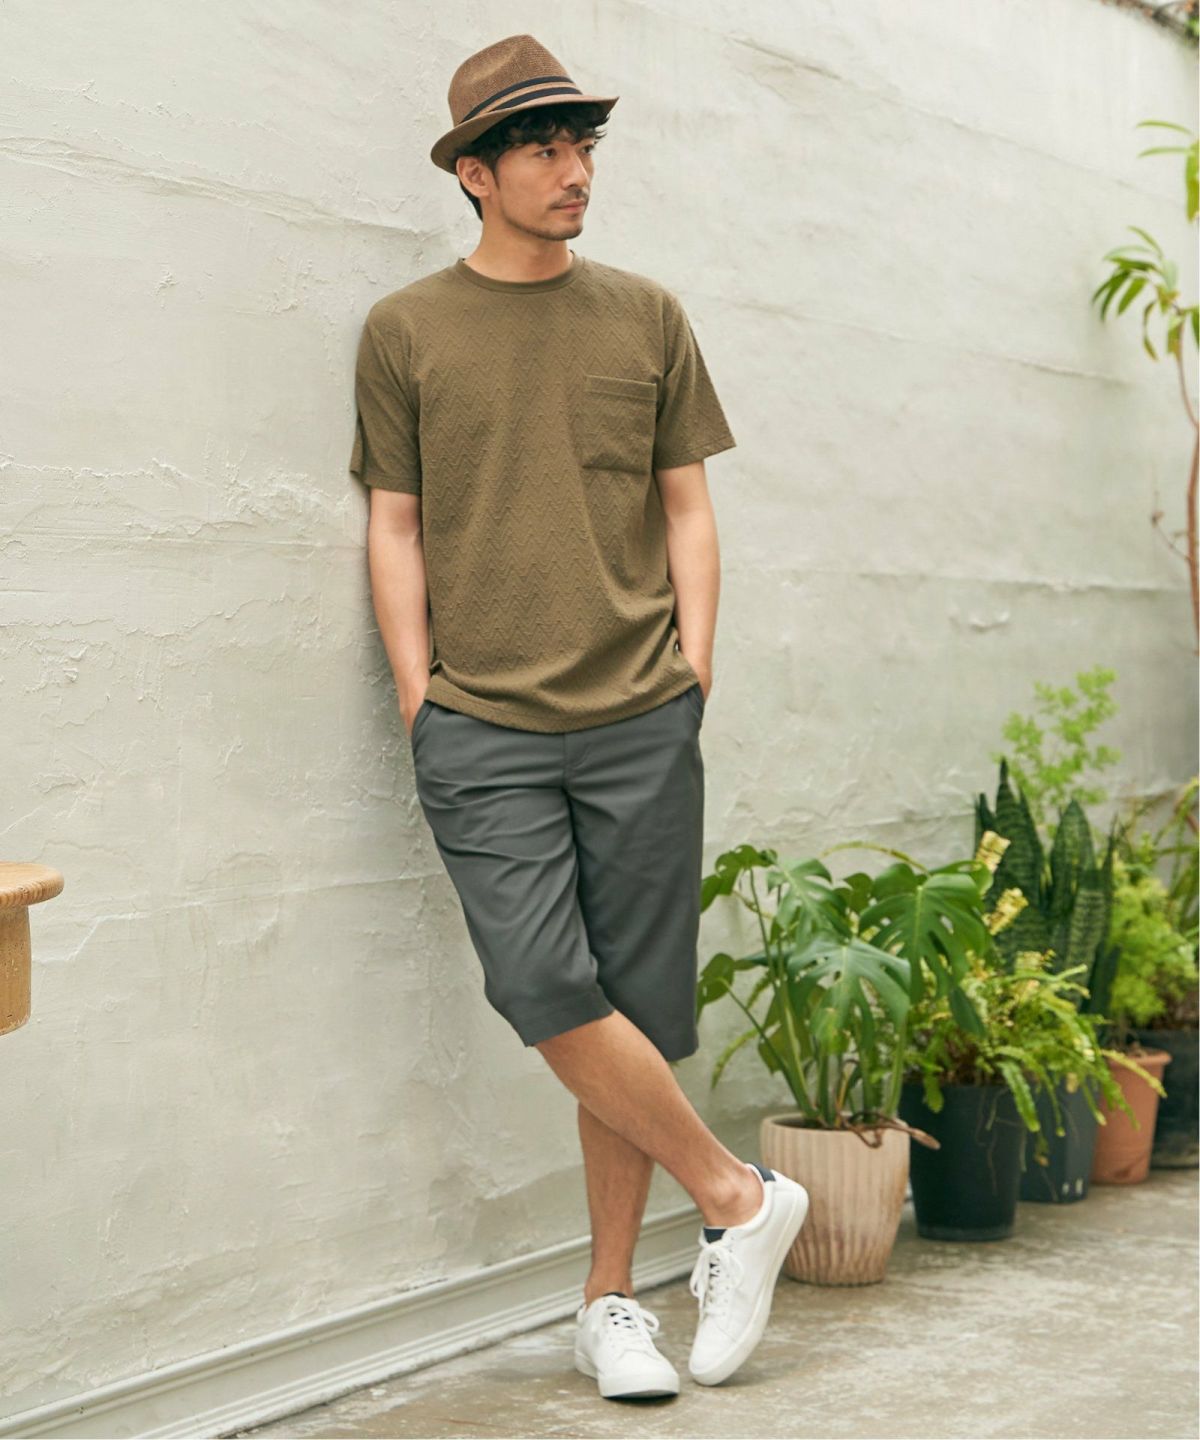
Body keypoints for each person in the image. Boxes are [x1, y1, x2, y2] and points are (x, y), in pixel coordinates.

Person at [349, 32, 809, 1400]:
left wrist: (694, 667)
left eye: (584, 145)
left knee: (636, 1010)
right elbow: (394, 524)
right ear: (475, 175)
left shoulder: (646, 317)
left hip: (641, 713)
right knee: (545, 985)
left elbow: (687, 508)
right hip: (480, 723)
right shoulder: (406, 332)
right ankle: (737, 1199)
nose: (575, 170)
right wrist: (421, 696)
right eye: (544, 149)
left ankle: (612, 1306)